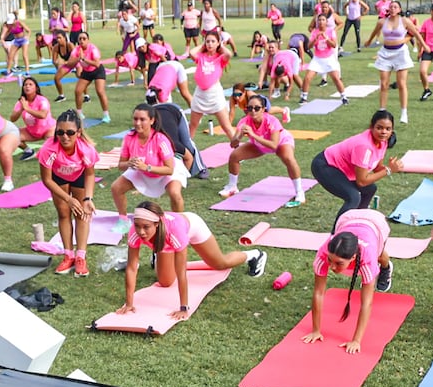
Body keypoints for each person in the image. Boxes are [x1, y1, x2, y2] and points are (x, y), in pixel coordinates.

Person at [116, 200, 266, 321]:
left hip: (192, 226)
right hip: (164, 239)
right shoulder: (135, 232)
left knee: (220, 264)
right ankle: (160, 255)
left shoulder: (174, 233)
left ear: (156, 224)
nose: (141, 231)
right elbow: (131, 268)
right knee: (165, 282)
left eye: (146, 227)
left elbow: (181, 273)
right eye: (137, 226)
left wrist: (183, 308)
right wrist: (129, 304)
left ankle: (254, 255)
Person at [302, 208, 396, 355]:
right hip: (348, 219)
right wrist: (316, 330)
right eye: (330, 260)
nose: (332, 267)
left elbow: (367, 303)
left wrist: (356, 340)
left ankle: (385, 267)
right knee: (367, 252)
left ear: (353, 258)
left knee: (379, 254)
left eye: (338, 263)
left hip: (375, 223)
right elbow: (319, 293)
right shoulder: (323, 253)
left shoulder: (367, 258)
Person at [38, 110, 99, 277]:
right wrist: (68, 199)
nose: (65, 137)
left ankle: (81, 257)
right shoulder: (48, 149)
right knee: (64, 213)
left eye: (70, 132)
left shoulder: (86, 150)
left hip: (79, 176)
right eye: (60, 132)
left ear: (78, 133)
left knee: (81, 214)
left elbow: (90, 174)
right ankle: (68, 255)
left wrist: (88, 198)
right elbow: (47, 180)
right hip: (58, 178)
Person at [219, 92, 306, 206]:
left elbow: (274, 145)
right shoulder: (244, 121)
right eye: (250, 108)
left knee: (288, 159)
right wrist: (240, 136)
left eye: (257, 108)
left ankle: (299, 192)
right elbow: (233, 144)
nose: (253, 111)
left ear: (263, 109)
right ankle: (232, 187)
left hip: (281, 142)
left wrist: (253, 135)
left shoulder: (272, 120)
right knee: (235, 156)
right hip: (259, 144)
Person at [311, 110, 401, 220]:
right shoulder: (364, 146)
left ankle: (356, 222)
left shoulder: (383, 141)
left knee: (370, 189)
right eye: (379, 128)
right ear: (371, 127)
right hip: (325, 165)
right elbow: (362, 181)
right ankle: (337, 234)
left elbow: (377, 168)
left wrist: (390, 167)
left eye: (388, 129)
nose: (383, 132)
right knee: (353, 197)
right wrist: (388, 170)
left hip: (341, 169)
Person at [110, 103, 188, 218]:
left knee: (175, 193)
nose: (138, 123)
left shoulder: (161, 139)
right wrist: (128, 163)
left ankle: (179, 221)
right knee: (116, 187)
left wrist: (147, 167)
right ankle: (123, 220)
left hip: (163, 172)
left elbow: (169, 169)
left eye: (142, 119)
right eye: (135, 119)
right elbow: (121, 165)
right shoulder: (129, 138)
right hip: (142, 171)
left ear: (152, 121)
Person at [363, 0, 419, 122]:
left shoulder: (404, 21)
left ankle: (404, 112)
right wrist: (369, 41)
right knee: (384, 84)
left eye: (395, 7)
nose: (393, 9)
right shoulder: (382, 21)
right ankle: (382, 110)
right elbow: (375, 31)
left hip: (400, 53)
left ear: (399, 9)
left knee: (401, 84)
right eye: (391, 7)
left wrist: (424, 46)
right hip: (385, 53)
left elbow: (415, 33)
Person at [187, 29, 237, 139]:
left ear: (218, 42)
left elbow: (229, 54)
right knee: (193, 126)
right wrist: (202, 45)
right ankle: (188, 153)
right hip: (200, 94)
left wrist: (221, 45)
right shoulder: (201, 56)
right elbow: (191, 53)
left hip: (214, 94)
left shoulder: (220, 58)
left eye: (213, 41)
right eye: (208, 41)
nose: (210, 44)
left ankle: (239, 151)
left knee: (226, 126)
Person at [301, 12, 349, 104]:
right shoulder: (314, 32)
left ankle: (344, 97)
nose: (321, 22)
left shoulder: (331, 31)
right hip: (317, 59)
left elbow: (334, 45)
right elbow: (308, 46)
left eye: (323, 20)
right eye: (319, 20)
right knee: (307, 77)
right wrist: (315, 39)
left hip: (329, 58)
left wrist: (327, 39)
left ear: (326, 22)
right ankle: (304, 97)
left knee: (336, 78)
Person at [68, 32, 111, 125]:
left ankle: (106, 115)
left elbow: (97, 64)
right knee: (78, 91)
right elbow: (70, 63)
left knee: (100, 91)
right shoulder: (77, 49)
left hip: (98, 71)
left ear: (88, 40)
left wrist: (84, 59)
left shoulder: (93, 48)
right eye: (80, 39)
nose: (82, 41)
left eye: (84, 38)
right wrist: (78, 58)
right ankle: (79, 114)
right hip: (87, 72)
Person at [12, 76, 54, 159]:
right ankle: (28, 152)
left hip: (48, 130)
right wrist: (21, 109)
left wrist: (27, 108)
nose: (27, 86)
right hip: (32, 132)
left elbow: (43, 115)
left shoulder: (42, 100)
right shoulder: (21, 102)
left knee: (48, 149)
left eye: (30, 84)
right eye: (25, 84)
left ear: (36, 88)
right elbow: (12, 118)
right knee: (11, 135)